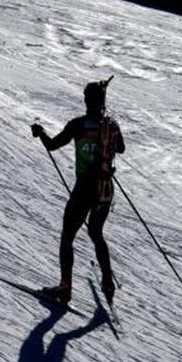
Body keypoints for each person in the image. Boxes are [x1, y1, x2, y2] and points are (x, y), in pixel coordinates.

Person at [30, 78, 124, 305]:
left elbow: (52, 145)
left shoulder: (79, 125)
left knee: (67, 236)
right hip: (105, 188)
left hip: (85, 188)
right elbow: (120, 148)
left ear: (87, 100)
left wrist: (40, 132)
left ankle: (65, 287)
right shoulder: (112, 125)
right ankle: (107, 283)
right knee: (96, 233)